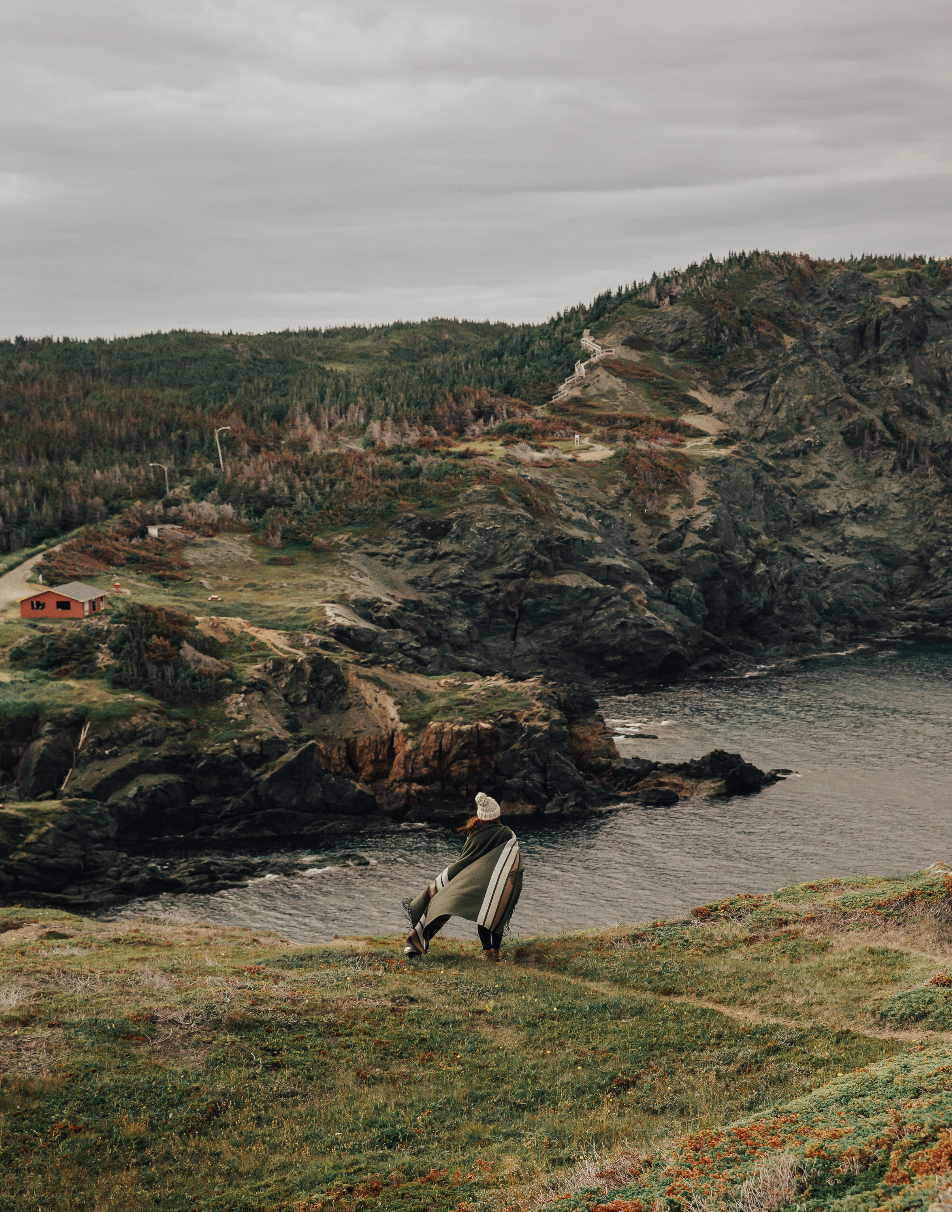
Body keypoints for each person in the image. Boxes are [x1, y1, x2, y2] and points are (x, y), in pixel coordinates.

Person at [404, 792, 523, 962]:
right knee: (497, 917)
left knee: (483, 919)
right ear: (496, 814)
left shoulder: (474, 834)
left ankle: (488, 953)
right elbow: (513, 858)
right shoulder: (506, 833)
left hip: (476, 884)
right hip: (498, 883)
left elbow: (465, 861)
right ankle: (496, 953)